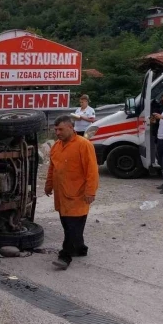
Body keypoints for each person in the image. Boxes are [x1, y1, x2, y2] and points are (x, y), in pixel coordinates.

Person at [44, 115, 99, 270]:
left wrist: (90, 192)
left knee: (72, 227)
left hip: (78, 196)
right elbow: (52, 169)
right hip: (62, 196)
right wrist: (48, 186)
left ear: (70, 127)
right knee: (68, 225)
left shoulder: (84, 145)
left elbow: (92, 171)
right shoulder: (56, 146)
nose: (57, 132)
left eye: (60, 129)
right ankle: (80, 248)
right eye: (55, 130)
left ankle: (65, 256)